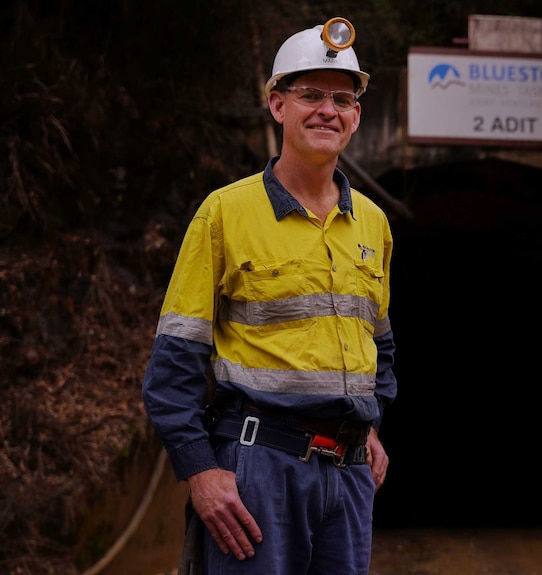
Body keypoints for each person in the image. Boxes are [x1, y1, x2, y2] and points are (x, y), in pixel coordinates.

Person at [142, 17, 397, 575]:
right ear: (277, 105)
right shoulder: (225, 213)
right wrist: (201, 471)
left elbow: (378, 342)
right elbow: (175, 361)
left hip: (349, 477)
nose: (328, 110)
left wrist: (369, 423)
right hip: (259, 472)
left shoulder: (373, 224)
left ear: (357, 115)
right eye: (310, 95)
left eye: (342, 98)